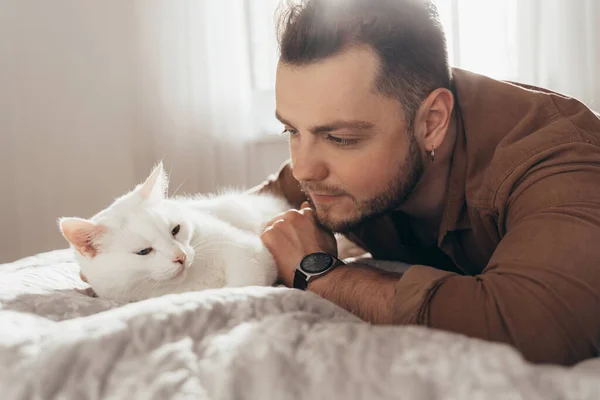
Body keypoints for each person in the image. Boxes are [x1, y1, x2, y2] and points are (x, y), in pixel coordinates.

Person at [250, 0, 600, 366]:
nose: (304, 169)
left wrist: (320, 273)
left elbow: (531, 326)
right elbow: (235, 216)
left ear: (432, 122)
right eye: (290, 129)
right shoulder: (336, 158)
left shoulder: (560, 158)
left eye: (340, 139)